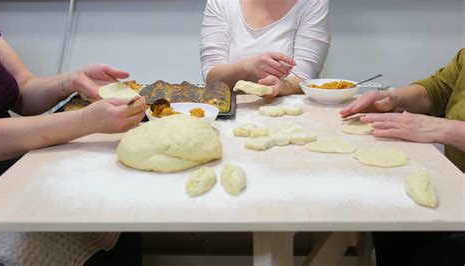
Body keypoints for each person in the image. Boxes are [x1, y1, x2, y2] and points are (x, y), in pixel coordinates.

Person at [0, 20, 143, 265]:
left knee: (118, 206)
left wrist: (71, 81)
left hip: (13, 154)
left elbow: (22, 90)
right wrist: (85, 121)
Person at [341, 49, 465, 265]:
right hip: (457, 186)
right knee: (390, 216)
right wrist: (393, 98)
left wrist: (447, 129)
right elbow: (438, 89)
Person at [199, 0, 330, 99]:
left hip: (286, 111)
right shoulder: (222, 3)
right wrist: (247, 66)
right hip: (230, 109)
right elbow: (211, 76)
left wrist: (283, 86)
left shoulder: (312, 3)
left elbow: (305, 76)